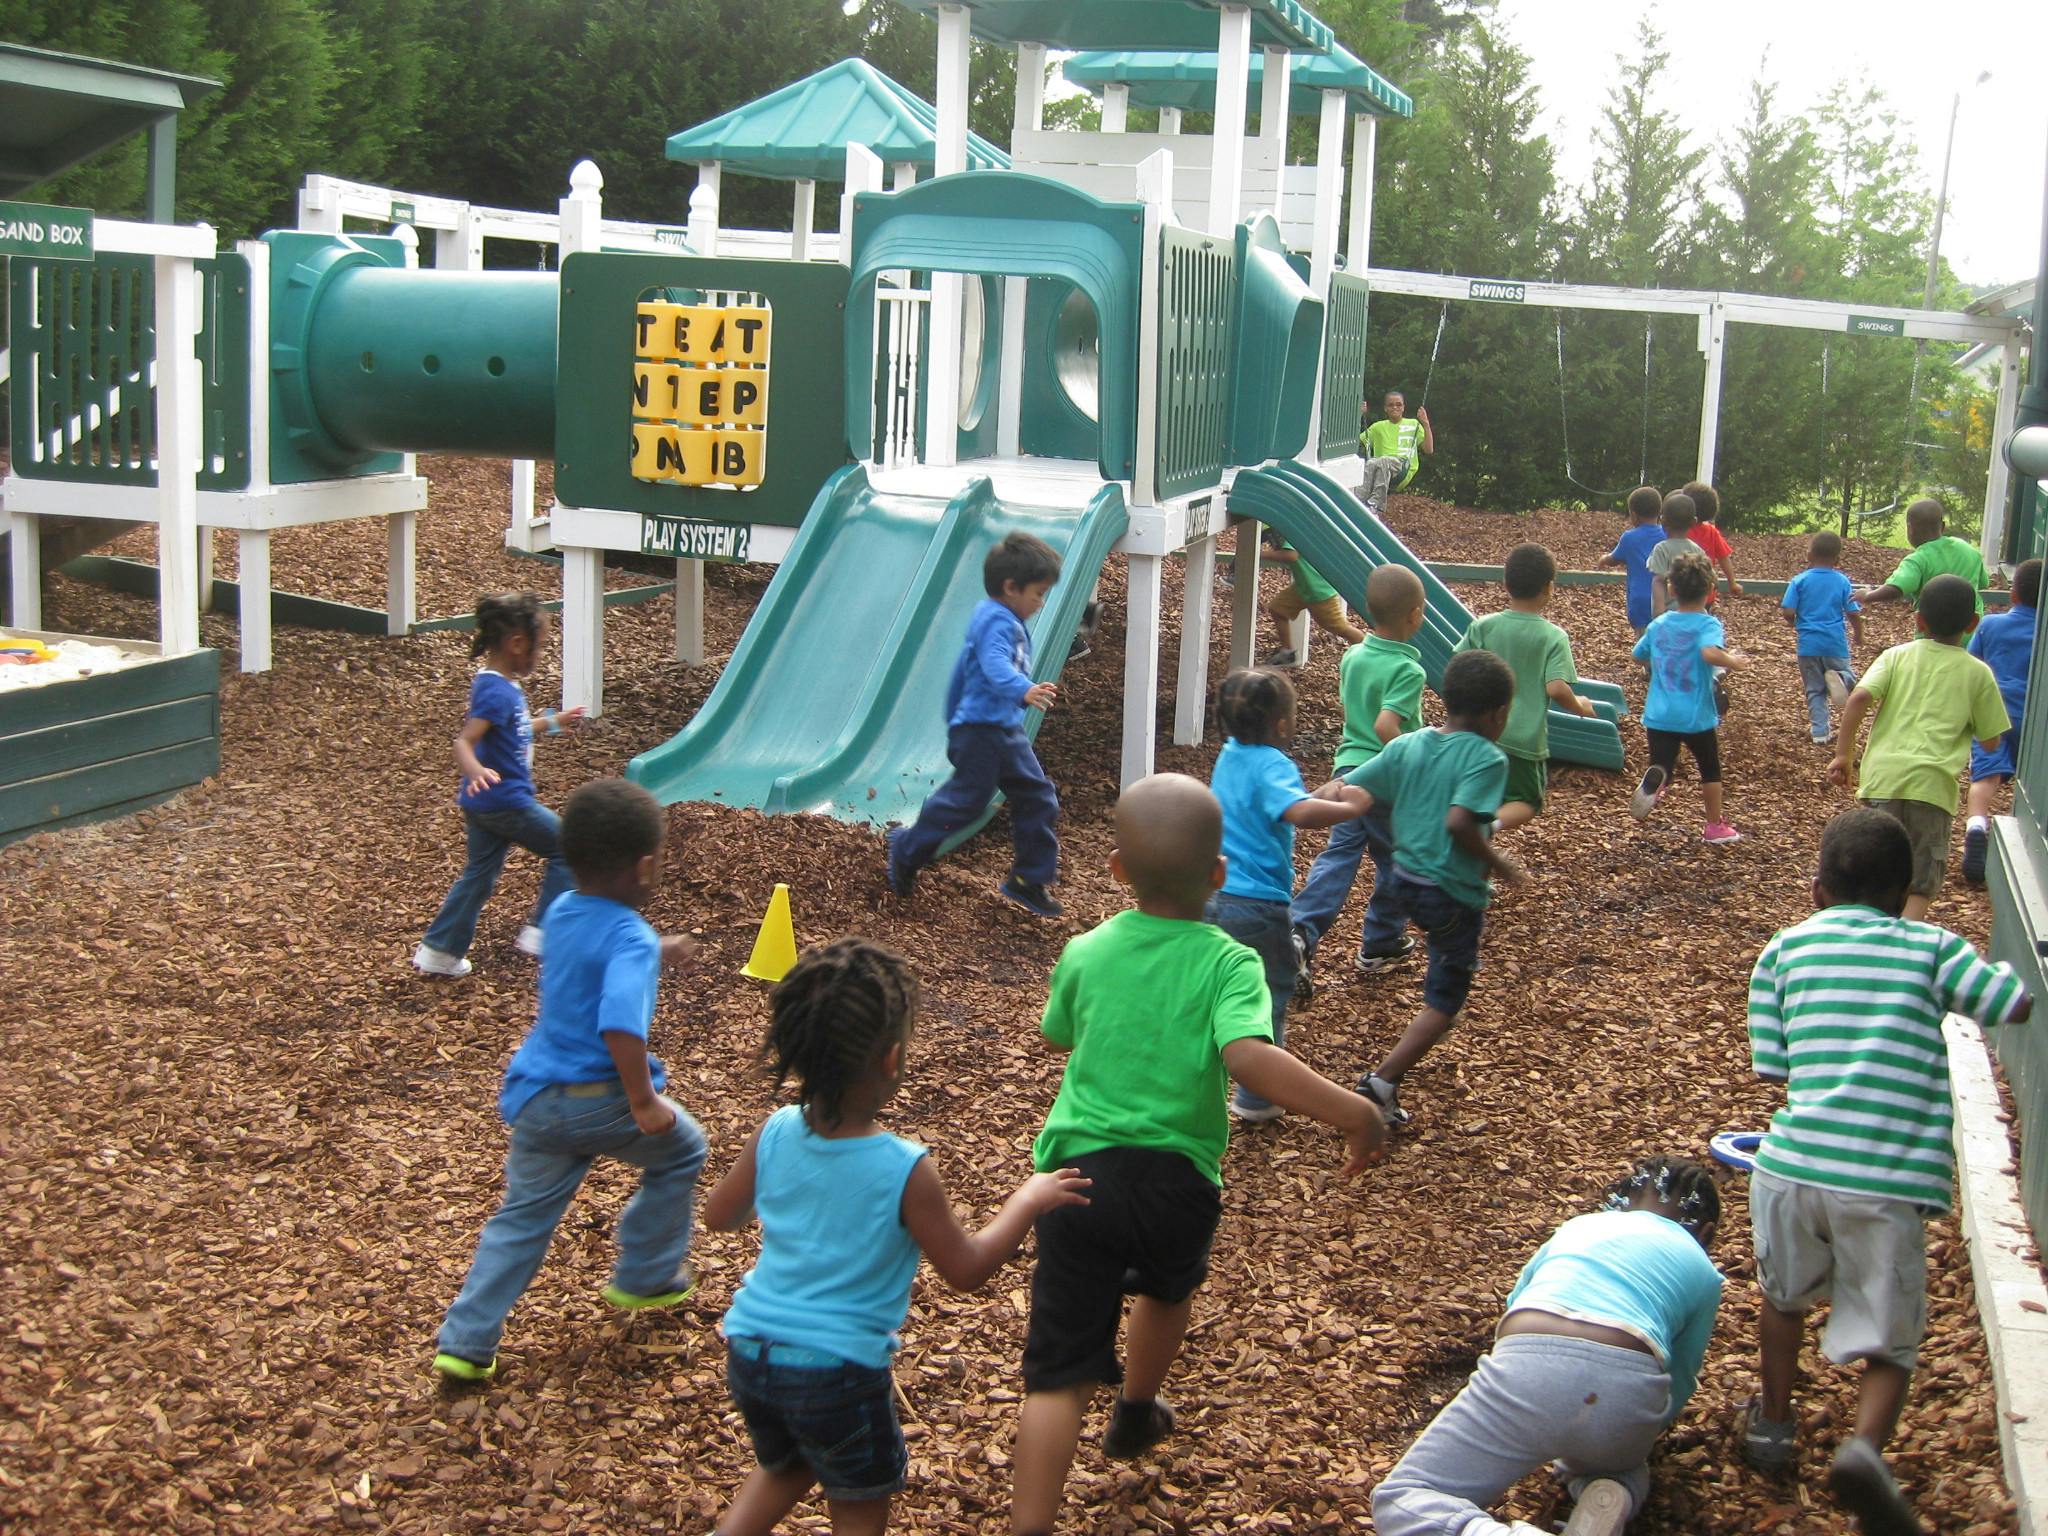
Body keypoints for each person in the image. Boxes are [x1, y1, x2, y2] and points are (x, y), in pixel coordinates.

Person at [1009, 772, 1385, 1536]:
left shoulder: (1086, 948)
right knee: (1166, 1289)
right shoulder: (1230, 962)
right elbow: (1248, 1057)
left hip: (1076, 1178)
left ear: (1117, 871)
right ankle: (1137, 1410)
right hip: (1178, 1181)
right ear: (1218, 874)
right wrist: (1352, 1109)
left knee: (1057, 1376)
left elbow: (1056, 1035)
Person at [703, 939, 1091, 1536]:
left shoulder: (775, 1130)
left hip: (752, 1352)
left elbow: (718, 1216)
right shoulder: (903, 1167)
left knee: (791, 1462)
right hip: (836, 1372)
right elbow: (966, 1270)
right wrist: (1027, 1199)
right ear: (890, 1060)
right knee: (857, 1502)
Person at [1741, 807, 2031, 1534]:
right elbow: (2012, 1006)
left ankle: (1774, 1424)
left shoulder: (1782, 951)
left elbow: (1773, 1066)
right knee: (1890, 1338)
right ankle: (1864, 1453)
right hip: (1886, 1182)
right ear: (1907, 893)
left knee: (1783, 1299)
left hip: (1791, 1167)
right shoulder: (1933, 948)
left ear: (1816, 890)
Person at [432, 778, 708, 1383]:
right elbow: (619, 1026)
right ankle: (647, 1273)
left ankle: (466, 1342)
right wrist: (643, 1101)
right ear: (644, 867)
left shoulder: (561, 911)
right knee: (684, 1148)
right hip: (601, 1101)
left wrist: (658, 949)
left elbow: (594, 951)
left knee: (520, 1219)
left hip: (537, 1100)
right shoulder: (628, 937)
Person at [1373, 1157, 1724, 1536]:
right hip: (1628, 1392)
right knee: (1619, 1468)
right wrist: (1639, 1429)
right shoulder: (1703, 1270)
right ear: (1704, 1233)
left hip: (1530, 1367)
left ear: (1621, 1201)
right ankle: (1608, 1495)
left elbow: (1515, 1303)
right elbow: (1681, 1377)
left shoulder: (1582, 1226)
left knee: (1404, 1497)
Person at [1313, 650, 1525, 1128]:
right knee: (1445, 1000)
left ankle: (1405, 952)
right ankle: (1381, 1083)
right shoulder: (1489, 758)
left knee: (1441, 952)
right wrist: (1499, 863)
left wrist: (1299, 804)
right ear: (1498, 715)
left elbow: (1347, 785)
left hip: (1404, 881)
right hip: (1450, 893)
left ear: (1444, 701)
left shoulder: (1410, 743)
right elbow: (1460, 822)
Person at [1206, 668, 1369, 1120]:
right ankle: (1257, 1098)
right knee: (1269, 992)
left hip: (1213, 895)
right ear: (1281, 723)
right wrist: (1348, 807)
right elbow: (1297, 813)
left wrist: (1324, 792)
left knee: (1221, 986)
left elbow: (1274, 808)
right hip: (1256, 906)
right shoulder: (1274, 763)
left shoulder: (1230, 755)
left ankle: (1203, 1074)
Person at [886, 532, 1064, 917]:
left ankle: (1027, 879)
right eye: (1038, 592)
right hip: (982, 731)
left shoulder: (1002, 615)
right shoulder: (997, 623)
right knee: (966, 802)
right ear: (1010, 587)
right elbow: (995, 664)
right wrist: (1024, 690)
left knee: (1037, 797)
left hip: (1002, 729)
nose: (1041, 601)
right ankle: (907, 848)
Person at [414, 592, 586, 977]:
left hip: (484, 806)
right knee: (568, 847)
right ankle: (544, 932)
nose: (540, 656)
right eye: (539, 648)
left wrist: (556, 721)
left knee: (478, 875)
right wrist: (475, 769)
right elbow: (464, 740)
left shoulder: (500, 686)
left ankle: (440, 951)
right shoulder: (495, 691)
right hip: (505, 800)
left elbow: (519, 728)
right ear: (517, 644)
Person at [1828, 574, 2010, 920]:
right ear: (1973, 623)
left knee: (1875, 869)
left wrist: (1844, 754)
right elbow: (1990, 740)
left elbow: (1860, 698)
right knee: (1922, 879)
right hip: (1933, 787)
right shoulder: (1978, 673)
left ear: (1919, 620)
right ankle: (1902, 946)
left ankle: (1865, 938)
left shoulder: (1896, 657)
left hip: (1884, 780)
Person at [1289, 566, 1430, 998]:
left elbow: (1359, 717)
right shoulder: (1409, 671)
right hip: (1384, 777)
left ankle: (1298, 931)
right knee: (1396, 858)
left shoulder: (1353, 656)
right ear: (1415, 615)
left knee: (1340, 855)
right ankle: (1382, 941)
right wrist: (1417, 754)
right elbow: (1387, 725)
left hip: (1347, 771)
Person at [1452, 544, 1597, 832]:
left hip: (1478, 731)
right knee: (1527, 801)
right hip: (1523, 741)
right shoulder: (1553, 637)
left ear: (1505, 584)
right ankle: (1487, 828)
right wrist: (1580, 705)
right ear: (1549, 588)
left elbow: (1459, 668)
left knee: (1475, 795)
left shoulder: (1483, 626)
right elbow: (1556, 688)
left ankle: (1468, 830)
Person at [1630, 550, 1748, 844]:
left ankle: (1657, 780)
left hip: (1659, 714)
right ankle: (1714, 826)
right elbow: (1709, 652)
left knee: (1663, 763)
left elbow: (1638, 654)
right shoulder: (1708, 625)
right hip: (1696, 716)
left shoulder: (1659, 625)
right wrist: (1732, 660)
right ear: (1710, 591)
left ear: (1671, 589)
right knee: (1710, 769)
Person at [1962, 558, 2040, 883]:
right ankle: (2031, 847)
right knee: (2036, 786)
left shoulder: (1990, 626)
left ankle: (1977, 828)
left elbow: (1971, 666)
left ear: (2013, 595)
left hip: (1993, 714)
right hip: (2035, 719)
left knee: (1984, 782)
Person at [1781, 531, 1864, 746]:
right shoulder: (1843, 581)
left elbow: (1788, 611)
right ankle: (1843, 680)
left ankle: (1819, 734)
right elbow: (1853, 613)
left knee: (1814, 690)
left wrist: (1795, 624)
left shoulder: (1799, 581)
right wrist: (1858, 634)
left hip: (1808, 645)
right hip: (1834, 643)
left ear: (1809, 556)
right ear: (1837, 560)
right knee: (1848, 675)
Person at [1861, 497, 1988, 614]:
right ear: (1943, 526)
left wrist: (1867, 596)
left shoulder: (1917, 560)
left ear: (1910, 529)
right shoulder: (1968, 550)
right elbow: (1983, 583)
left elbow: (1896, 588)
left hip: (1935, 628)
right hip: (1971, 626)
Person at [1261, 531, 1365, 666]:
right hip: (1304, 586)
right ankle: (1287, 653)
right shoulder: (1289, 526)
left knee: (1340, 627)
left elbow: (1291, 555)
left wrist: (1260, 553)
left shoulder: (1289, 528)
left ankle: (1370, 652)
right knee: (1278, 608)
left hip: (1317, 589)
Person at [1597, 485, 1665, 638]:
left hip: (1640, 602)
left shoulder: (1629, 538)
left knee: (1645, 643)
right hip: (1665, 599)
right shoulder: (1667, 534)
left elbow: (1614, 559)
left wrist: (1603, 559)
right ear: (1659, 513)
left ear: (1634, 515)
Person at [1358, 390, 1435, 514]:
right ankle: (1358, 499)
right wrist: (1359, 416)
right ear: (1385, 408)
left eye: (1398, 404)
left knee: (1383, 460)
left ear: (1403, 407)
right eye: (1391, 405)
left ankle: (1376, 504)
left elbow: (1429, 449)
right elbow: (1354, 442)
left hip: (1403, 467)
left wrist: (1425, 423)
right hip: (1381, 468)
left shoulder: (1413, 424)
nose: (1395, 407)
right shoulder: (1377, 427)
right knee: (1371, 463)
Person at [1680, 481, 1744, 598]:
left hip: (1681, 590)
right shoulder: (1711, 532)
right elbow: (1724, 558)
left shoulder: (1679, 530)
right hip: (1705, 591)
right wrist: (1732, 583)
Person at [1644, 492, 1699, 620]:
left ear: (1662, 520)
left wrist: (1658, 614)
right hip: (1694, 614)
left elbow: (1658, 581)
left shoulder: (1661, 549)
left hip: (1669, 616)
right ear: (1694, 522)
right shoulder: (1697, 550)